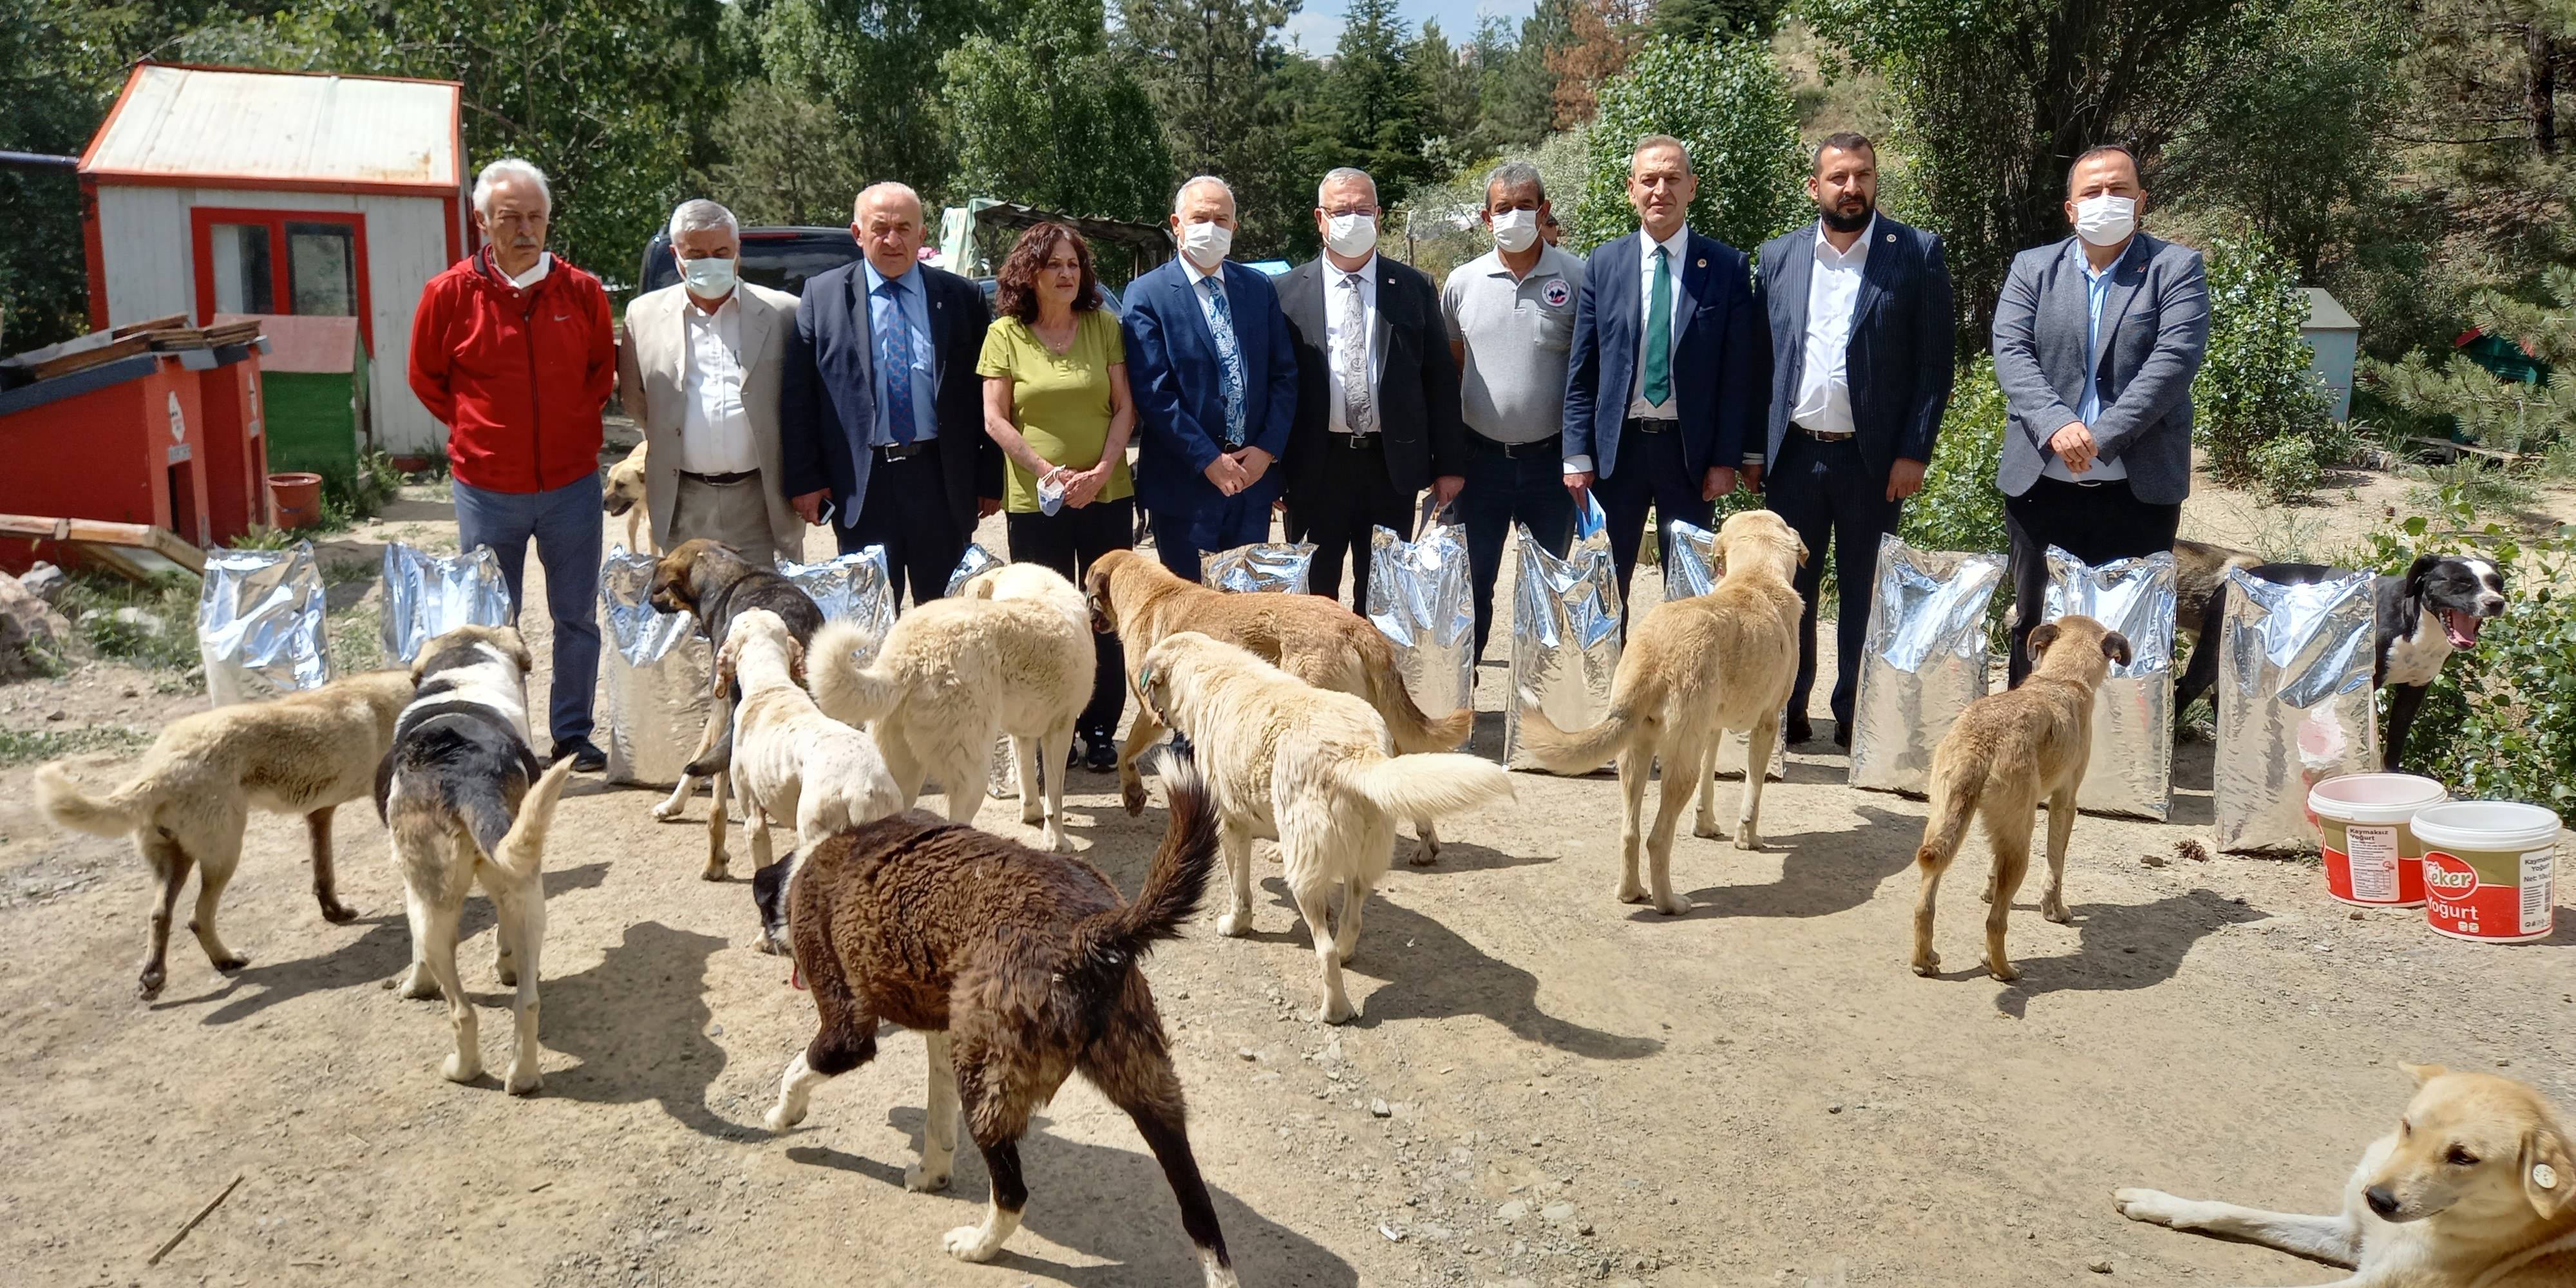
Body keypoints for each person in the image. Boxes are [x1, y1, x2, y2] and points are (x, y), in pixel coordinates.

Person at [407, 157, 614, 771]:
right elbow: (427, 379)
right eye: (510, 218)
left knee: (575, 615)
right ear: (481, 222)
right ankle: (498, 737)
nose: (526, 229)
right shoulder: (448, 295)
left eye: (536, 217)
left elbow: (598, 376)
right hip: (486, 487)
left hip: (572, 485)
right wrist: (482, 431)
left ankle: (573, 733)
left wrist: (568, 429)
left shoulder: (581, 293)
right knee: (493, 623)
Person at [1754, 132, 1956, 748]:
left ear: (1875, 180)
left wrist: (1914, 451)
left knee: (1867, 590)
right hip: (1793, 454)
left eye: (1863, 175)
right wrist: (1751, 452)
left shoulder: (1915, 252)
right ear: (1814, 187)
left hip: (1875, 460)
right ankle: (1785, 708)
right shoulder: (1778, 256)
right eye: (1839, 177)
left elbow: (1934, 364)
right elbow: (1758, 360)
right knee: (1787, 594)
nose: (1852, 188)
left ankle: (1854, 713)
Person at [1992, 143, 2208, 685]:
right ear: (2070, 208)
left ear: (2141, 202)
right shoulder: (2032, 268)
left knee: (2126, 630)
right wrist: (2058, 426)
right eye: (2092, 192)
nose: (2105, 200)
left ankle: (2122, 758)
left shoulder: (2175, 268)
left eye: (2118, 190)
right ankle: (2034, 749)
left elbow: (2174, 361)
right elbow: (2012, 353)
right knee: (2035, 624)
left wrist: (2099, 436)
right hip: (2040, 485)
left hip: (2136, 489)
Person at [1561, 134, 1768, 607]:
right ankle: (1612, 680)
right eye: (1650, 180)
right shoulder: (1604, 264)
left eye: (1672, 179)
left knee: (1690, 591)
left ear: (1692, 187)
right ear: (1631, 188)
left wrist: (1725, 459)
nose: (1661, 191)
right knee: (1606, 589)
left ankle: (1683, 681)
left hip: (1690, 455)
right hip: (1618, 453)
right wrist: (1577, 455)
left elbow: (1739, 375)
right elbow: (1583, 370)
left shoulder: (1725, 266)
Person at [781, 182, 1001, 606]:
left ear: (922, 236)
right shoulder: (822, 297)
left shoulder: (961, 298)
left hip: (941, 482)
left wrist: (990, 476)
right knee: (870, 626)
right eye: (880, 228)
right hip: (863, 488)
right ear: (857, 233)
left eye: (904, 228)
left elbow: (985, 393)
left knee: (946, 623)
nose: (893, 239)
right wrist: (806, 479)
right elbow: (799, 399)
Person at [977, 222, 1136, 772]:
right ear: (1030, 273)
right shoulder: (1004, 335)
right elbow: (994, 418)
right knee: (1042, 620)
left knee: (1103, 613)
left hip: (1107, 492)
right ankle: (1051, 732)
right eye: (1054, 265)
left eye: (1074, 264)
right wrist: (1049, 473)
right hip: (1034, 500)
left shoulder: (1104, 326)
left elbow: (1124, 408)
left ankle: (1098, 730)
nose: (1067, 274)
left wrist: (1101, 470)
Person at [1278, 167, 1466, 609]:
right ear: (1320, 219)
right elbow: (1275, 386)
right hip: (1314, 469)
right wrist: (1271, 472)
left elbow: (1439, 380)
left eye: (1363, 209)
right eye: (1341, 210)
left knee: (1383, 599)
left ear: (1379, 217)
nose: (1353, 219)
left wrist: (1449, 466)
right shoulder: (1285, 293)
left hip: (1391, 469)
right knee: (1313, 602)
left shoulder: (1415, 288)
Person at [1442, 160, 1586, 661]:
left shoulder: (1578, 277)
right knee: (1472, 582)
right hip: (1480, 465)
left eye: (1526, 206)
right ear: (1487, 218)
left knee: (1546, 585)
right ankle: (1466, 689)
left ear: (1544, 210)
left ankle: (1536, 697)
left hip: (1552, 466)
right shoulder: (1462, 283)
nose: (1515, 216)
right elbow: (1453, 369)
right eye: (1503, 208)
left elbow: (1587, 372)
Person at [1122, 176, 1300, 582]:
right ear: (1176, 223)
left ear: (1235, 229)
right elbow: (1154, 391)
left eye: (1223, 219)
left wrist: (1267, 451)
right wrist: (1207, 459)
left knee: (1244, 615)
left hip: (1251, 483)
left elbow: (1284, 375)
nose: (1212, 227)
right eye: (1200, 217)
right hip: (1184, 486)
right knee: (1192, 615)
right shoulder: (1147, 294)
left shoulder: (1257, 288)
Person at [616, 199, 805, 569]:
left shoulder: (784, 312)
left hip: (761, 499)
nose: (711, 262)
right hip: (683, 499)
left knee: (766, 615)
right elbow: (636, 399)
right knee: (691, 615)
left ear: (738, 251)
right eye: (697, 253)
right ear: (676, 254)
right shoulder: (643, 315)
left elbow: (802, 402)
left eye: (721, 251)